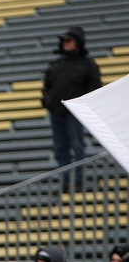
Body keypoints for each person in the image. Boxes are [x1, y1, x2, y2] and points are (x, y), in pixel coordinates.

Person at [41, 26, 102, 189]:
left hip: (75, 112)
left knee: (77, 146)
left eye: (69, 41)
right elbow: (47, 86)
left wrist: (81, 105)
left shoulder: (88, 64)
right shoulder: (56, 64)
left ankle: (79, 181)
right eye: (64, 41)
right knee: (60, 148)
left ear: (78, 43)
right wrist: (48, 102)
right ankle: (66, 182)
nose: (65, 44)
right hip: (57, 112)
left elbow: (95, 87)